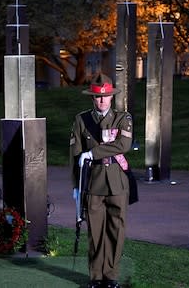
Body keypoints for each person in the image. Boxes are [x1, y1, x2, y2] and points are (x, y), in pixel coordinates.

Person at [69, 74, 133, 288]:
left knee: (116, 231)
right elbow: (75, 156)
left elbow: (122, 145)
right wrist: (76, 187)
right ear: (92, 99)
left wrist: (93, 152)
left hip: (117, 182)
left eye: (106, 96)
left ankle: (111, 276)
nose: (102, 101)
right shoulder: (81, 119)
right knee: (95, 232)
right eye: (98, 97)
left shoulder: (123, 118)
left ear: (112, 97)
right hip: (93, 184)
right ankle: (96, 277)